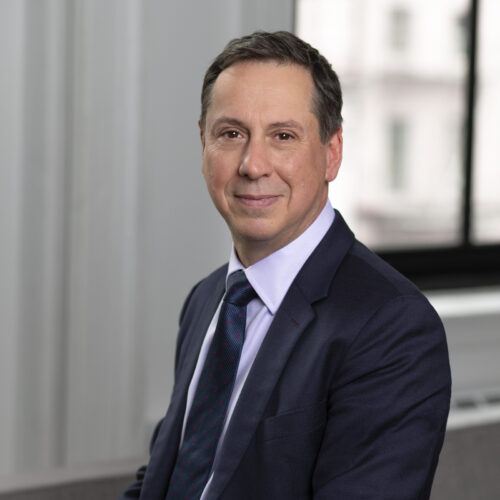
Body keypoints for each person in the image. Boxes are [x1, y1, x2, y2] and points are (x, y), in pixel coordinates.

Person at [120, 31, 451, 500]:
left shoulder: (393, 327)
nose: (253, 165)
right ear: (203, 143)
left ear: (331, 153)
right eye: (231, 134)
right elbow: (166, 481)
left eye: (283, 136)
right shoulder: (207, 299)